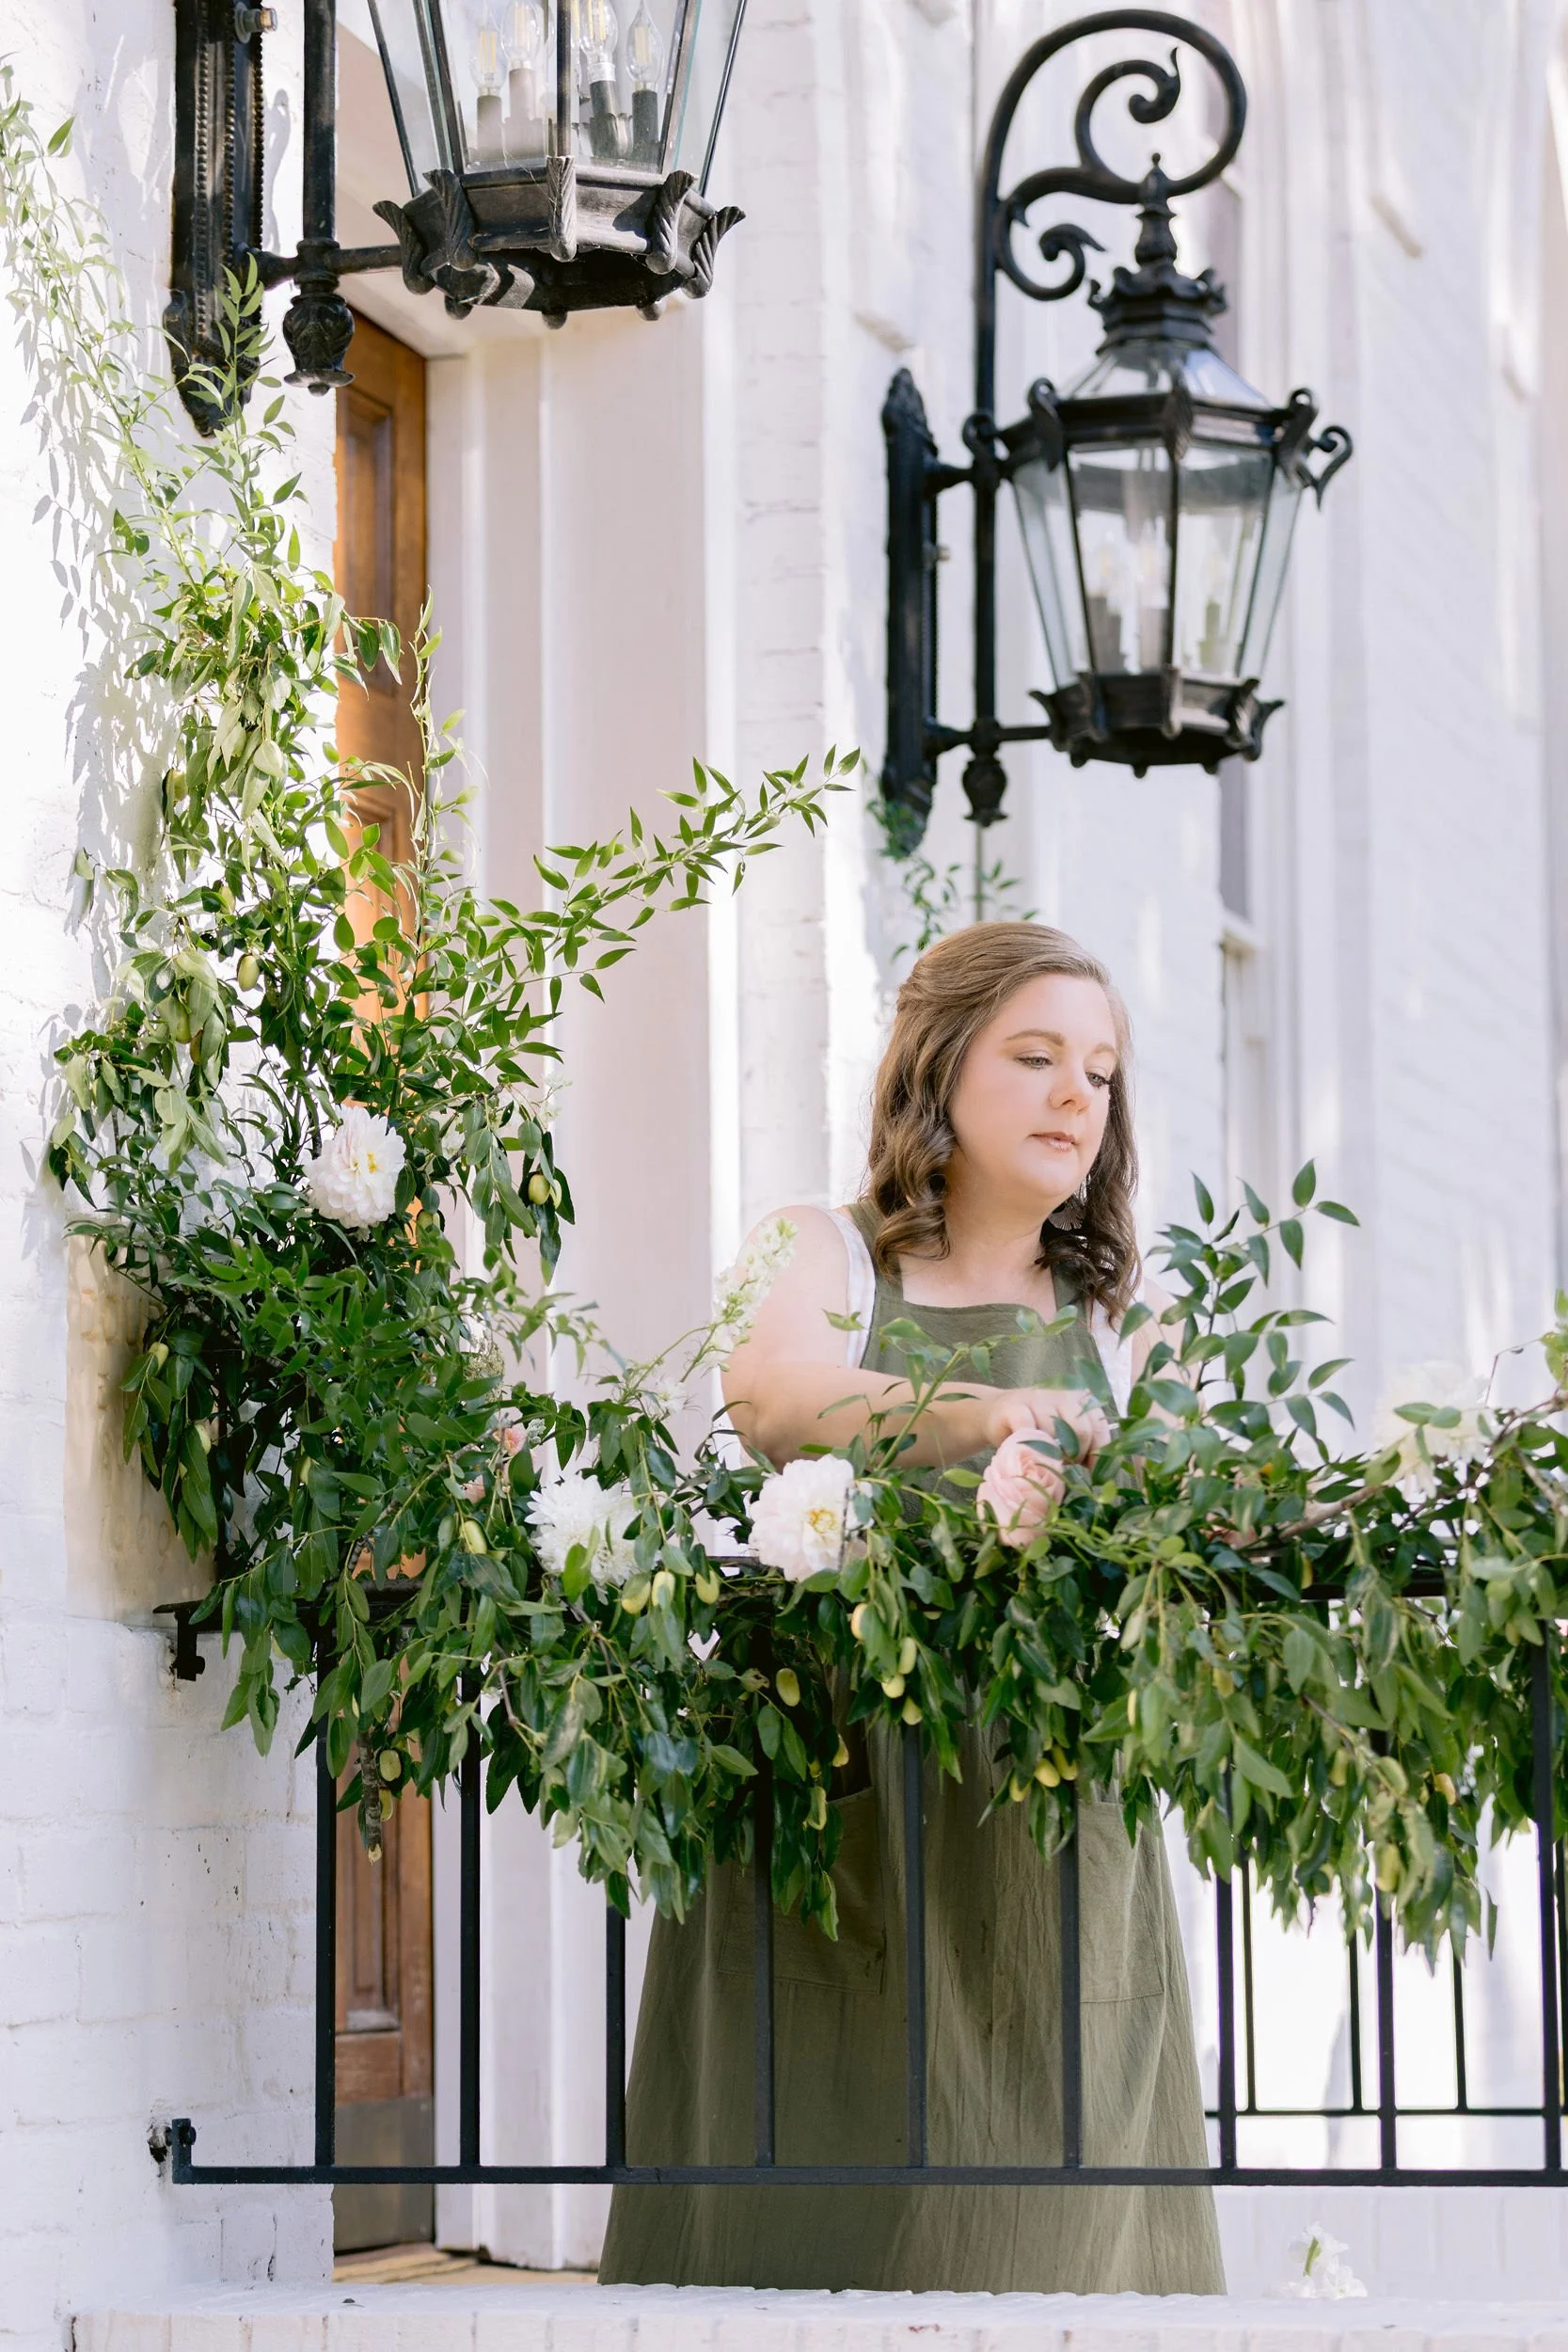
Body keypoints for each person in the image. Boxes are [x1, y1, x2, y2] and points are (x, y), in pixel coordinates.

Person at [597, 922, 1224, 2295]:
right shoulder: (820, 1250)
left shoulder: (1125, 1316)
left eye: (1102, 1073)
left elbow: (1180, 1507)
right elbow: (771, 1396)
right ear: (938, 1071)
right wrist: (991, 1414)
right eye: (1038, 1056)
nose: (1080, 1095)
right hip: (830, 1766)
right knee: (808, 2160)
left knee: (1048, 2177)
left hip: (1042, 1785)